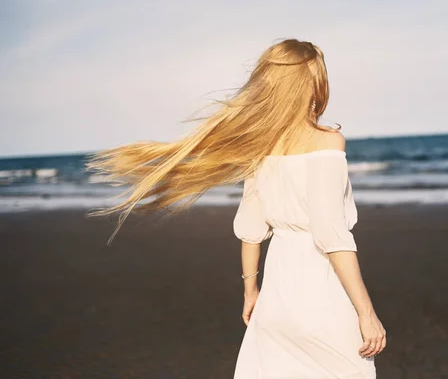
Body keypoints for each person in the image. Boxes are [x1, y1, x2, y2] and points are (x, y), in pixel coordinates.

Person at [87, 39, 385, 378]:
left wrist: (251, 292)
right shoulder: (328, 142)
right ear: (315, 84)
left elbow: (251, 227)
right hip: (320, 292)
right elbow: (332, 236)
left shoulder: (262, 146)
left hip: (276, 298)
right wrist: (366, 312)